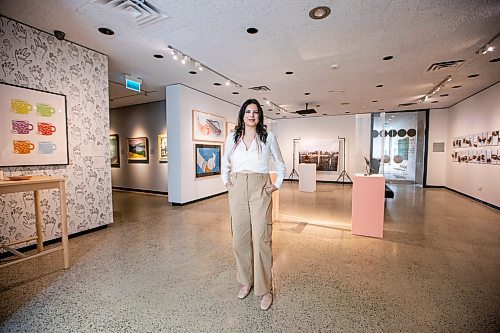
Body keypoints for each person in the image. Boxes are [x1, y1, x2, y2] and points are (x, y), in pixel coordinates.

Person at [221, 98, 286, 311]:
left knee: (261, 240)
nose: (251, 115)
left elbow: (280, 162)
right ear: (242, 115)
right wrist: (227, 182)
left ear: (259, 116)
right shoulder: (233, 137)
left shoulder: (268, 137)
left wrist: (276, 184)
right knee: (239, 239)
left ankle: (265, 289)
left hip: (260, 186)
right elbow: (225, 160)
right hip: (238, 186)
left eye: (255, 112)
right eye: (248, 111)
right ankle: (246, 281)